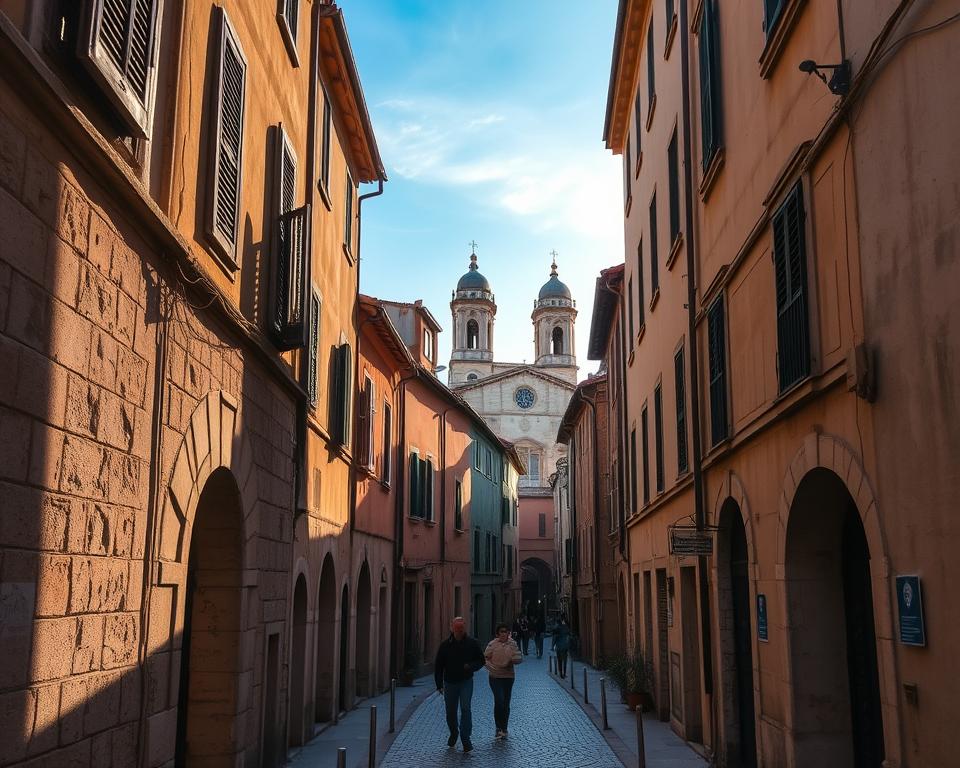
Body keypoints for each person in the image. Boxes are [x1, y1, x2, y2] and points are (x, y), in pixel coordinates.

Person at [434, 616, 485, 753]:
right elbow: (438, 666)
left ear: (464, 628)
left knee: (466, 708)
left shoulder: (472, 643)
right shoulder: (445, 646)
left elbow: (481, 660)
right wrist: (438, 684)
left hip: (466, 681)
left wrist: (471, 666)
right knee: (450, 712)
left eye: (461, 628)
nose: (459, 630)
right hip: (449, 682)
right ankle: (454, 732)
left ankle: (465, 737)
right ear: (452, 628)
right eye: (457, 628)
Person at [484, 623, 523, 739]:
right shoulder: (492, 644)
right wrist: (492, 668)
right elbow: (485, 657)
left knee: (506, 702)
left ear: (508, 633)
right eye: (501, 631)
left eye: (505, 631)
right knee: (499, 700)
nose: (503, 633)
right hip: (495, 677)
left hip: (508, 677)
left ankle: (504, 728)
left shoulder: (513, 644)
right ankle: (498, 727)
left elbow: (518, 659)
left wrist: (513, 660)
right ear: (497, 633)